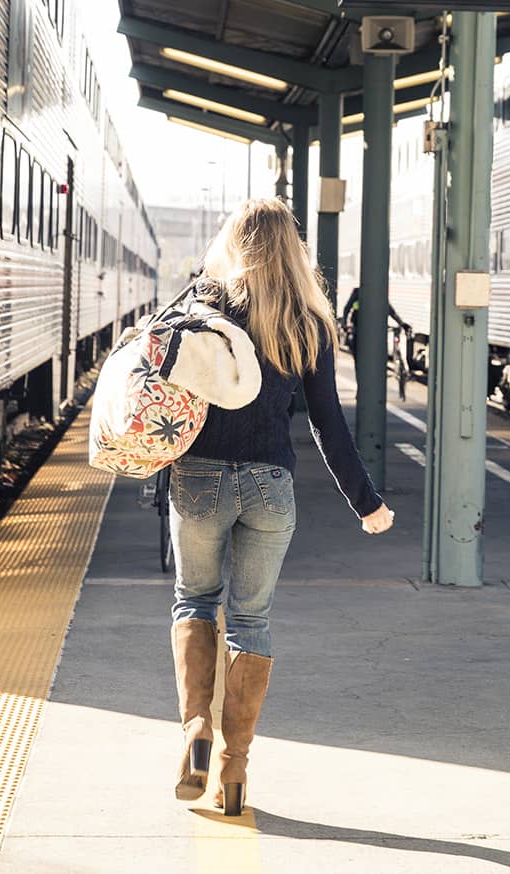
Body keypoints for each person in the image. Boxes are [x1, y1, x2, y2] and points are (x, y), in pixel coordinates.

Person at [168, 199, 394, 815]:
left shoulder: (204, 308)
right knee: (250, 620)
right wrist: (366, 502)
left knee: (195, 601)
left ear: (234, 244)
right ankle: (234, 772)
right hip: (270, 487)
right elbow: (328, 427)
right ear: (293, 250)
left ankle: (195, 735)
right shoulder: (308, 323)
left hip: (198, 480)